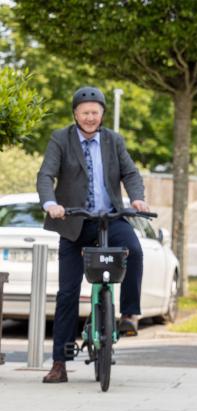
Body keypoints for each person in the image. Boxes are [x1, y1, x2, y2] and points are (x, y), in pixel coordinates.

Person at [36, 86, 150, 384]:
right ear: (75, 114)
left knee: (134, 251)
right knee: (68, 293)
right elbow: (46, 175)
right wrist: (51, 204)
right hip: (74, 222)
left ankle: (128, 315)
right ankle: (59, 362)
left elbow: (131, 174)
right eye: (84, 112)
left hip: (109, 218)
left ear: (102, 114)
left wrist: (136, 198)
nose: (90, 117)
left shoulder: (113, 140)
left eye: (95, 112)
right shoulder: (61, 139)